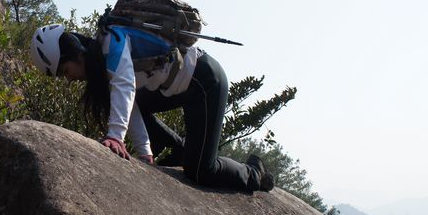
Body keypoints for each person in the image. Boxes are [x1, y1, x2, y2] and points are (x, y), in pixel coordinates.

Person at [30, 23, 275, 192]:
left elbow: (126, 87)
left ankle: (254, 171)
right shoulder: (101, 61)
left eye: (65, 71)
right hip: (179, 87)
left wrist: (115, 136)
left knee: (201, 171)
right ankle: (179, 150)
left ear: (74, 54)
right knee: (124, 103)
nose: (70, 79)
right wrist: (145, 152)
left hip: (204, 80)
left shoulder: (110, 44)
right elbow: (131, 104)